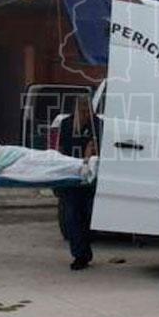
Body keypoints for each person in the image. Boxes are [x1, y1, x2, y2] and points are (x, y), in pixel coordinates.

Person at [55, 95, 99, 270]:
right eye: (82, 110)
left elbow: (98, 149)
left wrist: (90, 155)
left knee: (88, 215)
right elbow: (60, 149)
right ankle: (80, 255)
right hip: (71, 176)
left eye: (88, 110)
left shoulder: (97, 125)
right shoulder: (67, 124)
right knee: (72, 216)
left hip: (89, 178)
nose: (86, 114)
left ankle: (85, 249)